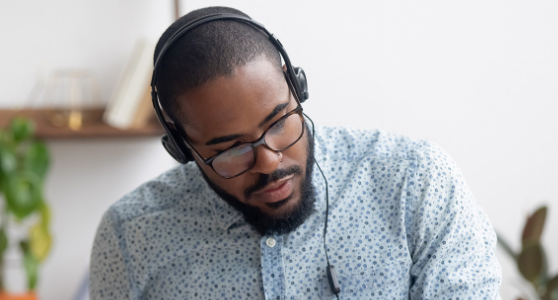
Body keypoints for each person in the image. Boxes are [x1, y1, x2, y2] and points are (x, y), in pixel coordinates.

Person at [90, 6, 502, 300]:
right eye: (231, 149)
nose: (270, 162)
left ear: (295, 86)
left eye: (279, 122)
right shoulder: (130, 237)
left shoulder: (416, 182)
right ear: (181, 147)